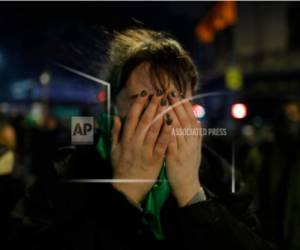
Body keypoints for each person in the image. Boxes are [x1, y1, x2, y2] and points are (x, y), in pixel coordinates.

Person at [8, 28, 276, 250]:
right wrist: (123, 197)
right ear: (113, 107)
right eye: (144, 100)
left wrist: (194, 197)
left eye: (175, 101)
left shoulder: (220, 176)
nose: (162, 115)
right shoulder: (68, 172)